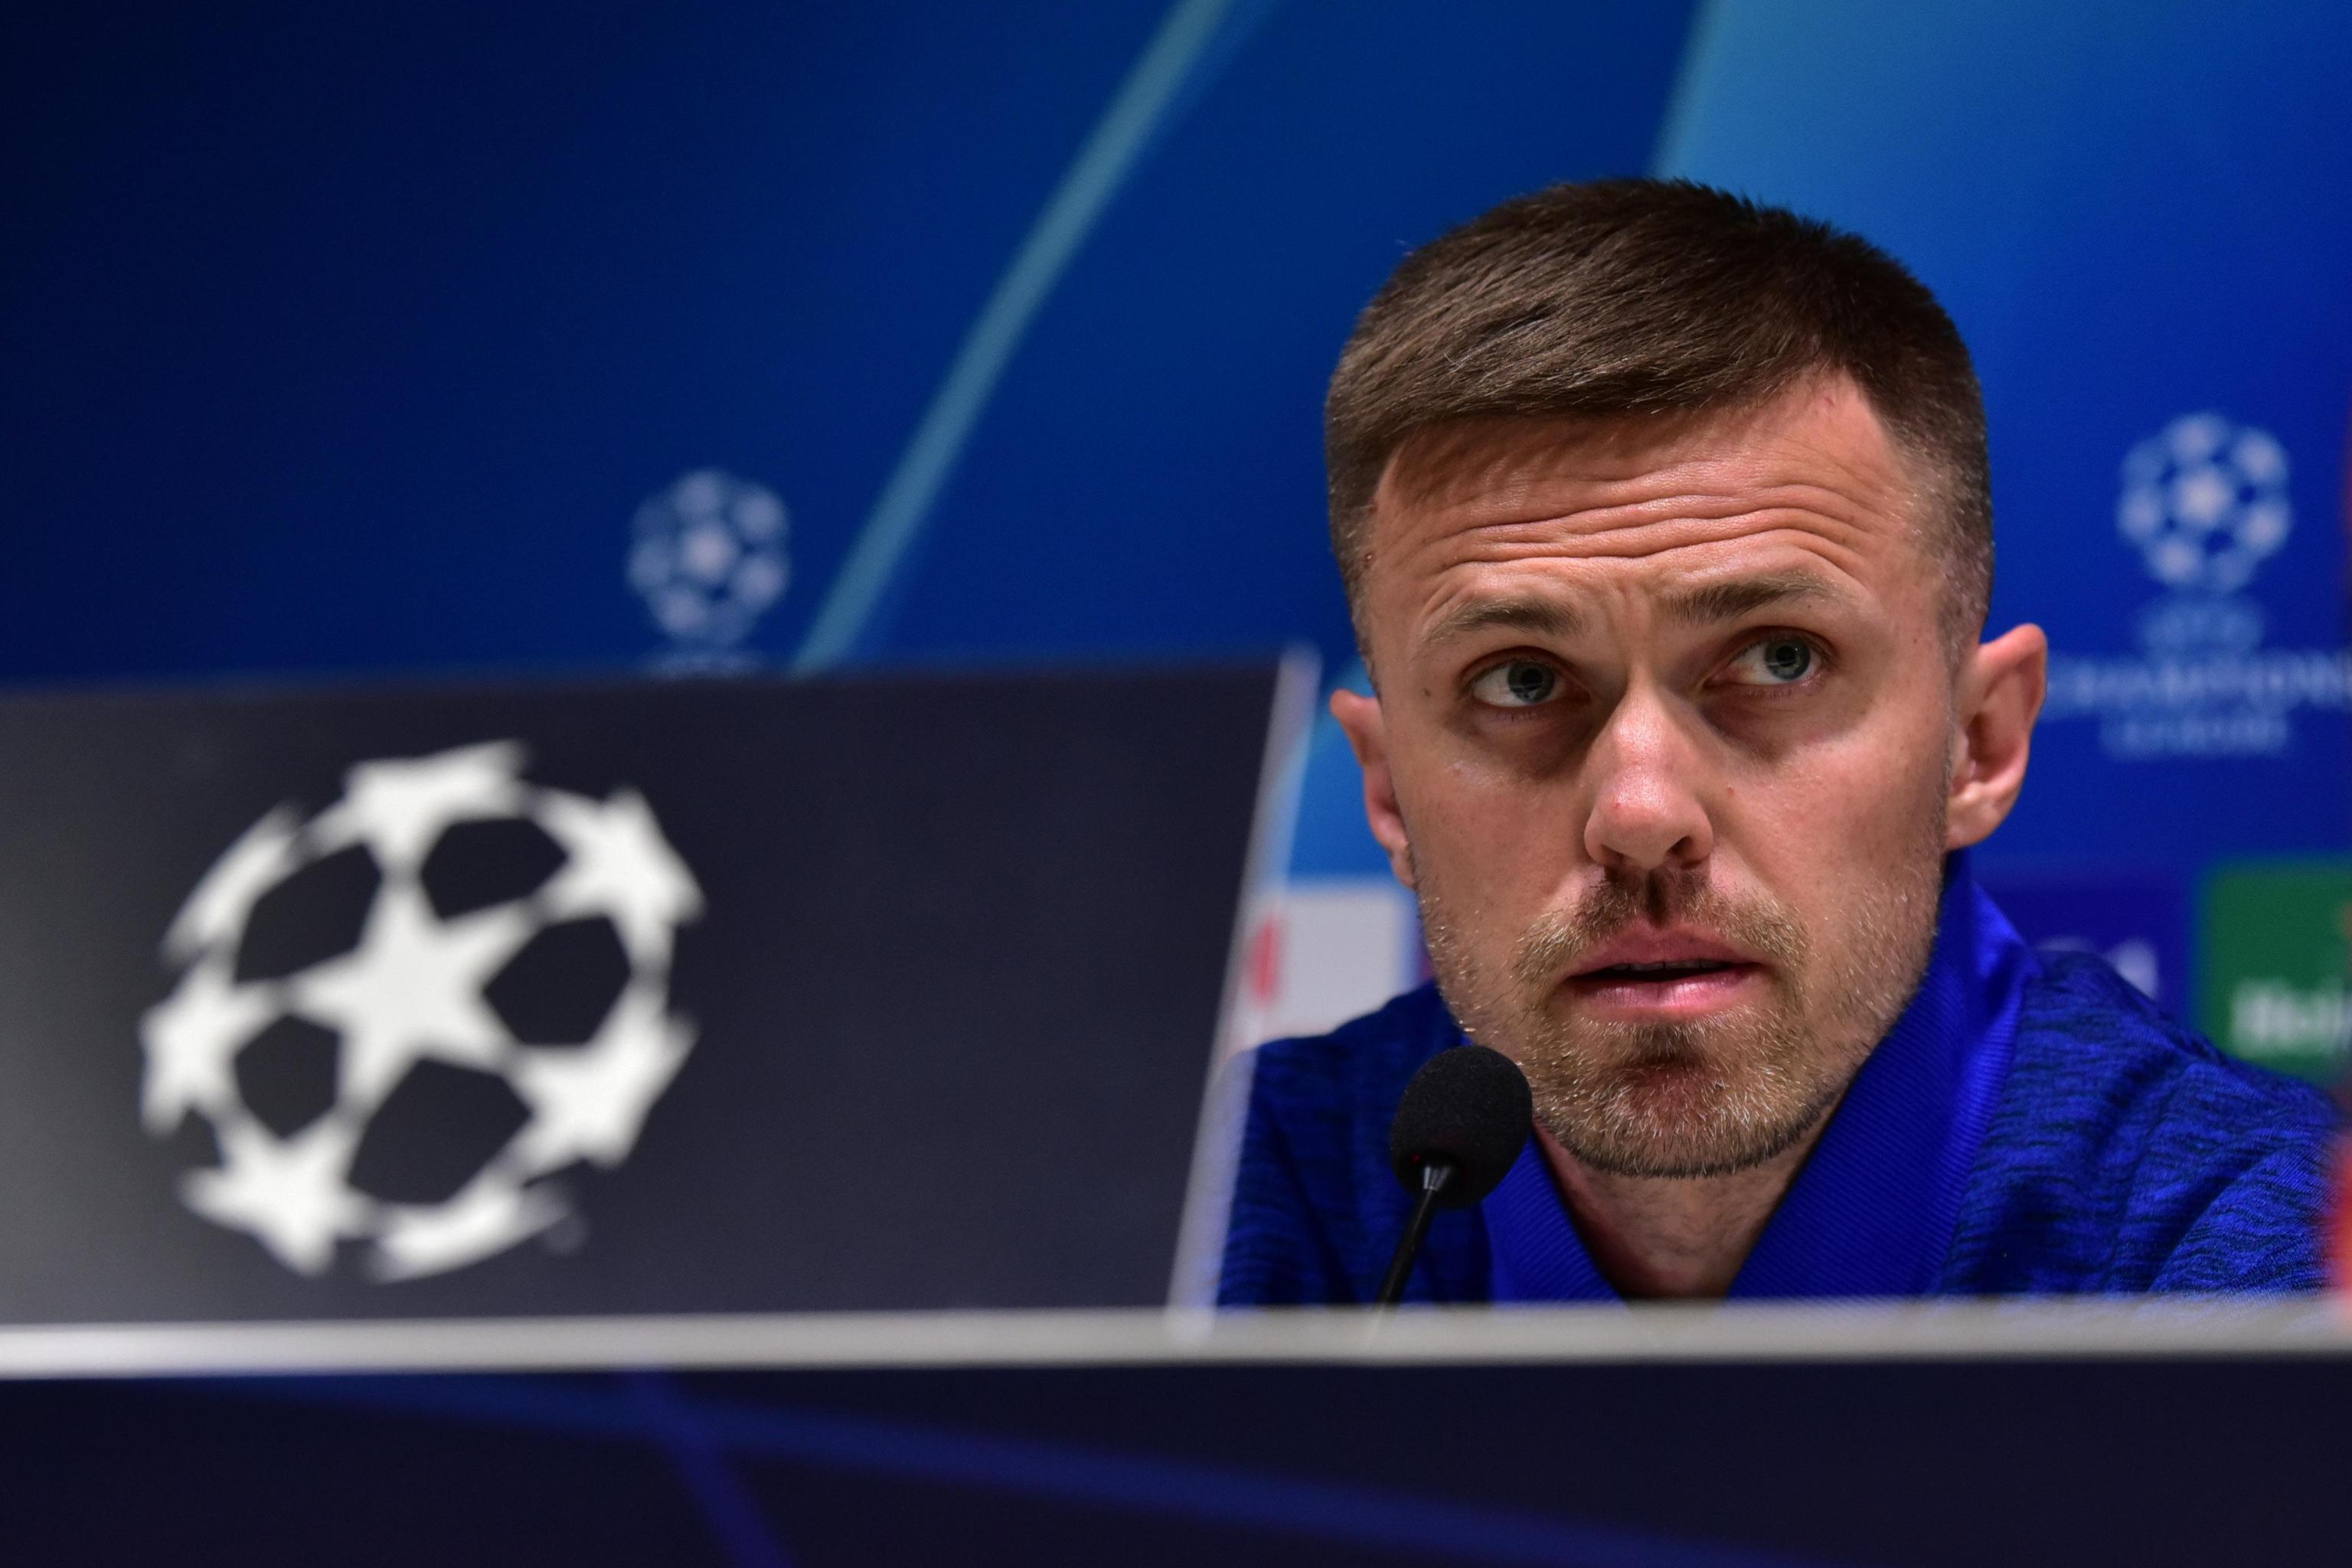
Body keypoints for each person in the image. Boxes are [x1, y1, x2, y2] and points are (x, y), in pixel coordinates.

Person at [1217, 179, 2342, 1304]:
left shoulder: (2267, 1268)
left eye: (1777, 661)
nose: (1642, 815)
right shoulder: (1194, 1235)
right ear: (1388, 792)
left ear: (1982, 743)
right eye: (1523, 681)